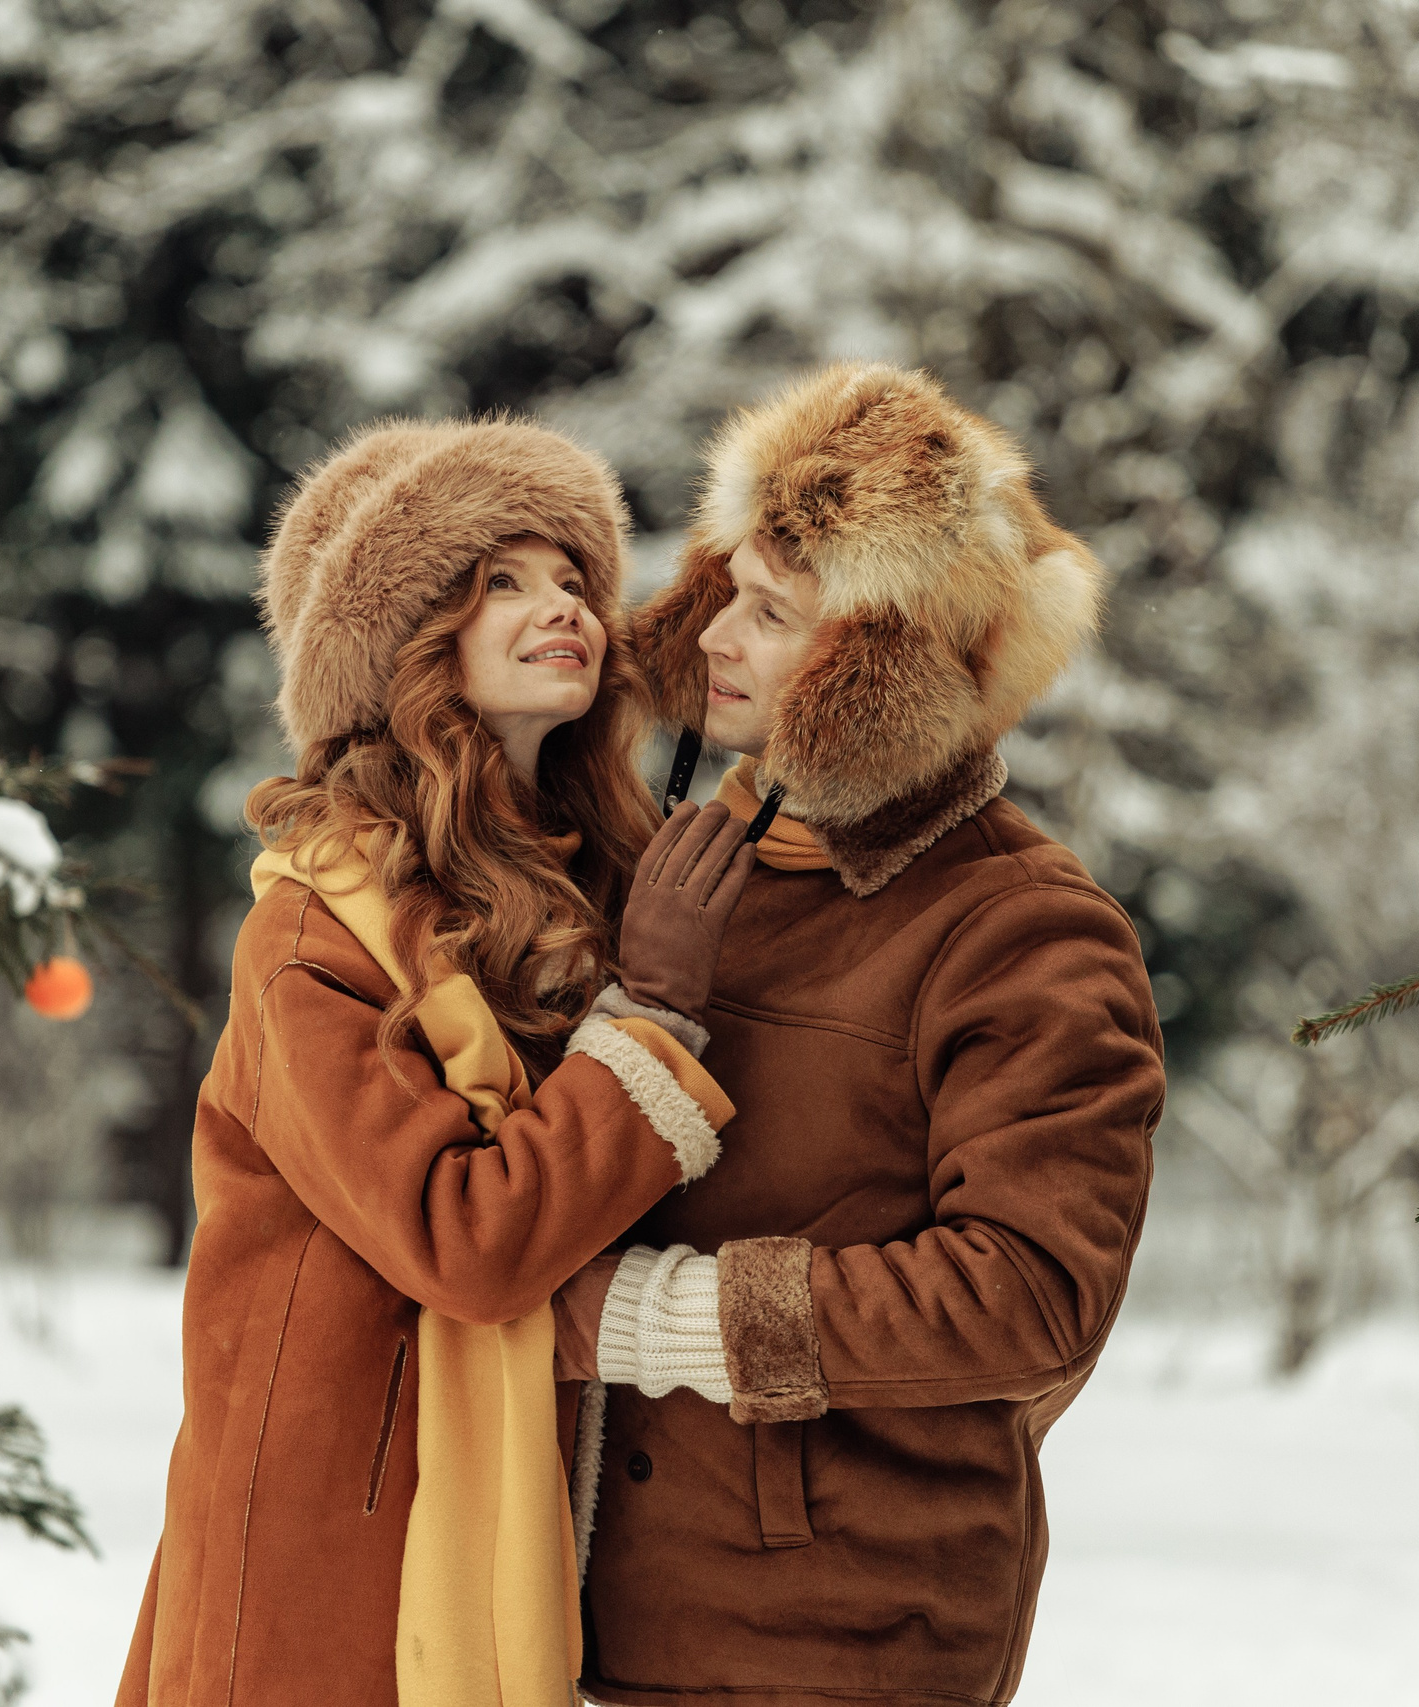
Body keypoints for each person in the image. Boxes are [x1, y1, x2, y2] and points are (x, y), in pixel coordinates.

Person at [116, 417, 756, 1707]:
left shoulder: (585, 894)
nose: (564, 604)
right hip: (334, 1564)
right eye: (501, 583)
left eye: (574, 577)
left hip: (525, 1521)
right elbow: (467, 1241)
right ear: (406, 648)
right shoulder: (314, 932)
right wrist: (653, 1017)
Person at [554, 363, 1166, 1707]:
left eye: (769, 614)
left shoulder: (1026, 931)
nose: (714, 636)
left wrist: (659, 1322)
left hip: (845, 1637)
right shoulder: (693, 866)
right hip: (616, 1615)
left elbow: (1032, 1298)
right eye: (722, 589)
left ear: (874, 671)